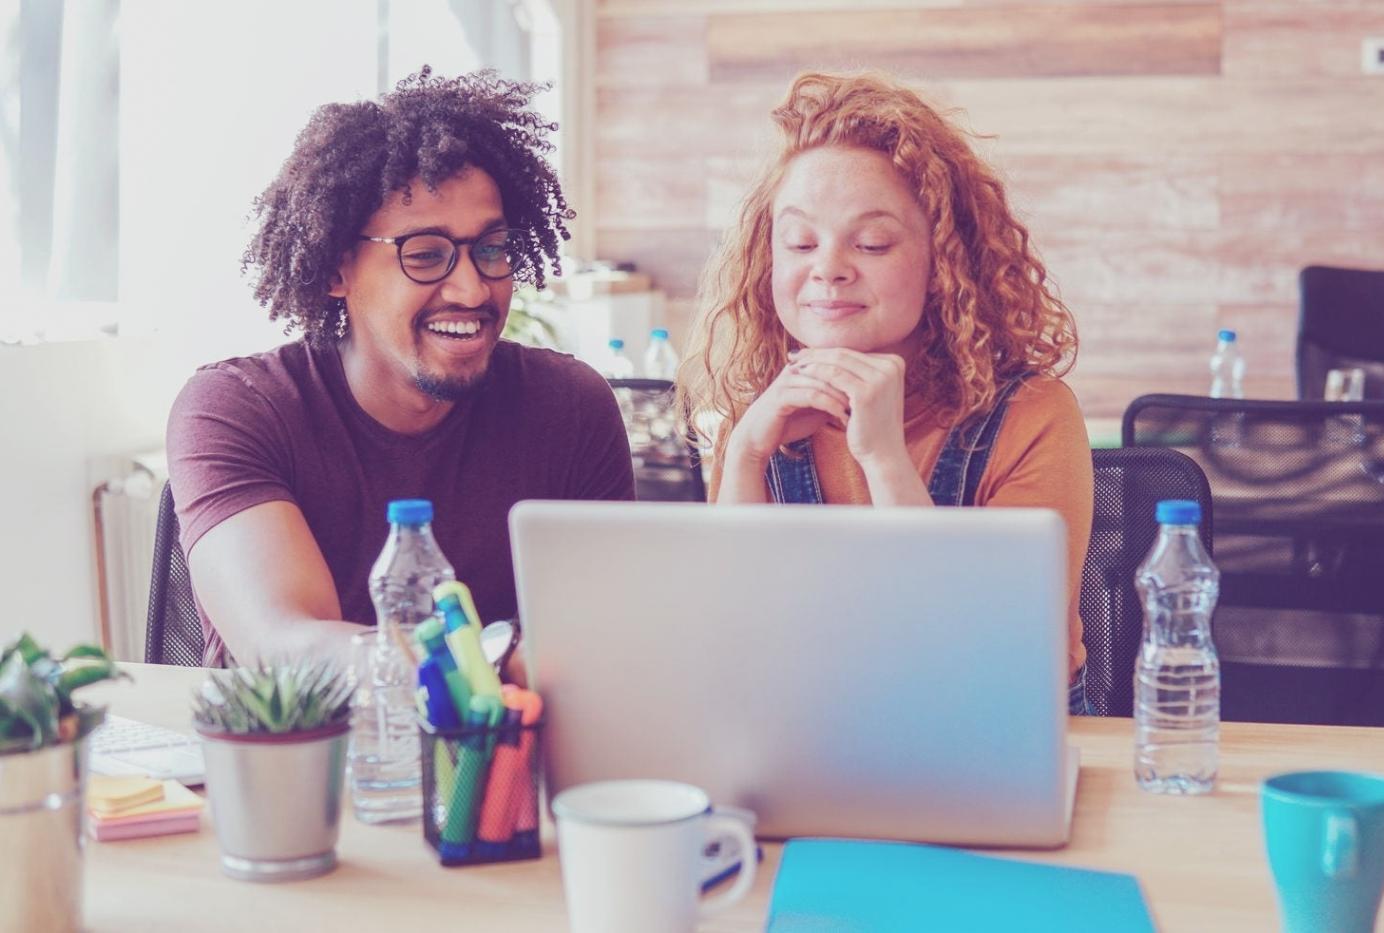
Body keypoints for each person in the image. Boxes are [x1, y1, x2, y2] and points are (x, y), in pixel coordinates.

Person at [167, 69, 633, 669]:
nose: (471, 288)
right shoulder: (238, 408)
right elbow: (286, 647)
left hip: (502, 761)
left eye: (491, 248)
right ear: (338, 270)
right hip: (308, 761)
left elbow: (611, 633)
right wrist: (497, 659)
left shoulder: (568, 405)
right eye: (425, 255)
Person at [680, 72, 1094, 713]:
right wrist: (744, 456)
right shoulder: (760, 416)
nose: (828, 267)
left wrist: (883, 459)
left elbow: (1002, 654)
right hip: (805, 742)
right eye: (800, 242)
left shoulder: (1033, 415)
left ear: (944, 260)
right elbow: (731, 646)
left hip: (986, 744)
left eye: (871, 242)